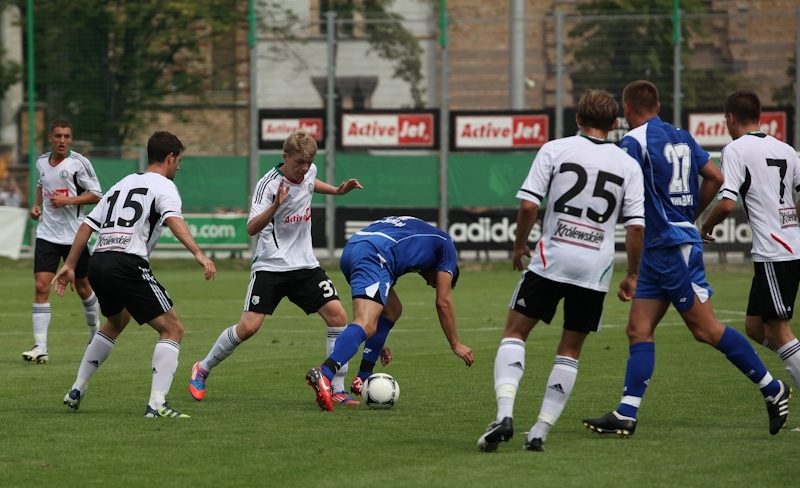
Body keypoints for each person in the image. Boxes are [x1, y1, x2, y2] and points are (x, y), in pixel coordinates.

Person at [582, 80, 790, 437]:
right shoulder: (680, 136)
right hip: (660, 248)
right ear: (658, 105)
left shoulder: (634, 141)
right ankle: (626, 413)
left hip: (670, 248)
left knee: (705, 329)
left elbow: (624, 188)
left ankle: (773, 388)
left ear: (628, 110)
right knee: (638, 329)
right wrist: (688, 214)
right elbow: (714, 177)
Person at [476, 89, 646, 453]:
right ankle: (539, 430)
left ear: (578, 118)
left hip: (552, 258)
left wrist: (520, 244)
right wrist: (632, 273)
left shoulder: (555, 149)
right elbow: (635, 228)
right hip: (594, 270)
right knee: (569, 351)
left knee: (514, 333)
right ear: (615, 124)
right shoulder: (628, 164)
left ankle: (504, 414)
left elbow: (527, 205)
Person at [188, 130, 365, 405]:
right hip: (270, 266)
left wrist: (337, 190)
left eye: (308, 164)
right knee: (247, 328)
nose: (304, 169)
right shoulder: (267, 185)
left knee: (338, 317)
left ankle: (337, 389)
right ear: (285, 157)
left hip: (305, 265)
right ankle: (203, 368)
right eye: (298, 164)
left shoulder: (308, 170)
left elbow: (309, 184)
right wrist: (275, 206)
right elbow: (250, 229)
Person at [54, 131, 216, 418]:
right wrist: (198, 253)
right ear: (169, 157)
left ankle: (77, 387)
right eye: (178, 160)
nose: (179, 166)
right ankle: (157, 405)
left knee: (116, 320)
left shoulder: (122, 184)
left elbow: (87, 225)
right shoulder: (164, 186)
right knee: (173, 330)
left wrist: (70, 264)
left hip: (99, 261)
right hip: (126, 263)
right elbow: (174, 220)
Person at [305, 216, 474, 412]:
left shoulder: (420, 241)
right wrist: (455, 344)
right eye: (435, 282)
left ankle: (363, 377)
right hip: (374, 254)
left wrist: (375, 339)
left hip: (353, 248)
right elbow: (443, 302)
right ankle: (324, 373)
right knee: (366, 324)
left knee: (392, 310)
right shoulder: (446, 246)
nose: (430, 284)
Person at [700, 89, 800, 392]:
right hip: (785, 247)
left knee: (780, 332)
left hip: (775, 252)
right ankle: (793, 361)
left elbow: (728, 202)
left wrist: (705, 225)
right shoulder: (785, 149)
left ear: (730, 118)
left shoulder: (736, 150)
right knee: (755, 328)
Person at [24, 119, 103, 364]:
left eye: (66, 136)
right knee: (40, 287)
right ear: (50, 137)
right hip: (47, 234)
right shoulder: (41, 162)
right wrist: (36, 205)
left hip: (74, 237)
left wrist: (67, 202)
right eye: (57, 136)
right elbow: (42, 184)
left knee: (83, 288)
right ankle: (41, 346)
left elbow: (97, 195)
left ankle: (95, 335)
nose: (62, 140)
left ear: (71, 138)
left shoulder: (79, 163)